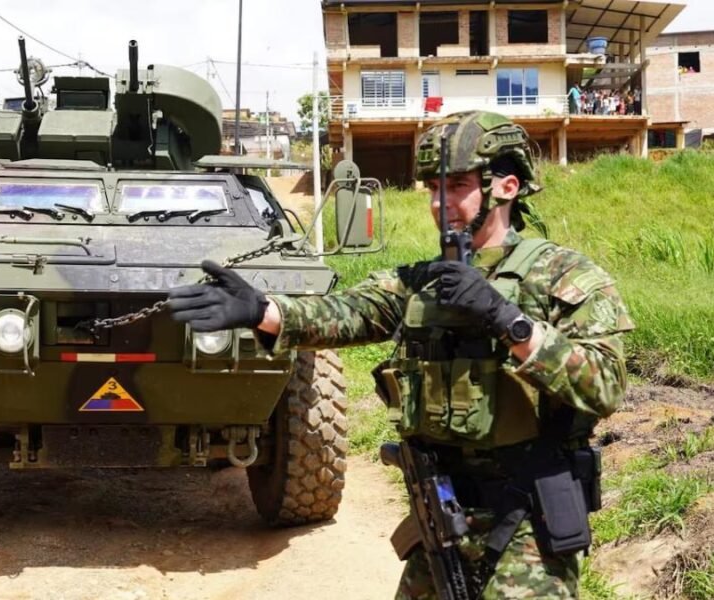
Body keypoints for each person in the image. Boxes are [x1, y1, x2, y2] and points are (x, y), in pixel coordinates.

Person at [167, 111, 634, 598]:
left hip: (528, 519)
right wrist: (261, 310)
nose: (439, 203)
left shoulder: (563, 275)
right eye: (433, 188)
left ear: (507, 187)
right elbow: (347, 311)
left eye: (456, 186)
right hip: (441, 512)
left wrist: (507, 320)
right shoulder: (421, 282)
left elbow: (603, 385)